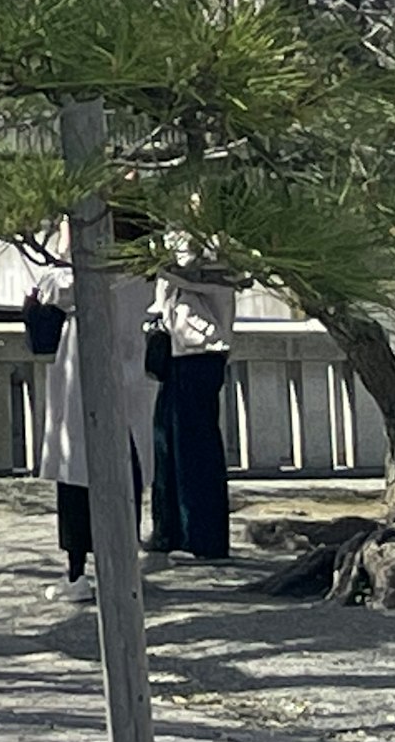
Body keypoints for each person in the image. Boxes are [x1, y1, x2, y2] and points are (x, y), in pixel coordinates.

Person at [22, 261, 151, 604]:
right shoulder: (142, 271)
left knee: (78, 480)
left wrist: (60, 258)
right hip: (127, 373)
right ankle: (123, 566)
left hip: (84, 377)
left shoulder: (85, 276)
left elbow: (53, 289)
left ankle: (77, 572)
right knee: (125, 474)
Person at [149, 258, 239, 564]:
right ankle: (169, 531)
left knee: (196, 447)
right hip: (176, 353)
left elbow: (198, 278)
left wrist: (161, 267)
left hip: (202, 353)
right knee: (167, 445)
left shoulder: (217, 255)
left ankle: (204, 536)